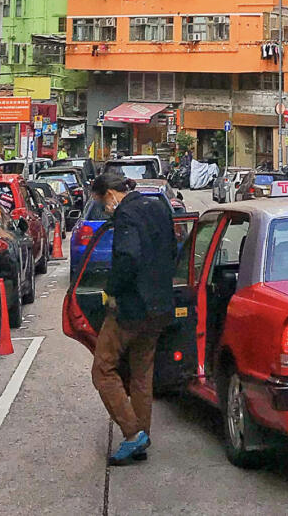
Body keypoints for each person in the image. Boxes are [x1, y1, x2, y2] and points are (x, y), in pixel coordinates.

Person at [90, 174, 177, 466]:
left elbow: (128, 257)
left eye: (103, 202)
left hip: (132, 307)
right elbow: (173, 250)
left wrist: (111, 290)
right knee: (141, 372)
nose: (105, 208)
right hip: (160, 305)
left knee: (103, 369)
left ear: (111, 194)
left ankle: (132, 433)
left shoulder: (126, 215)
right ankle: (142, 435)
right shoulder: (158, 207)